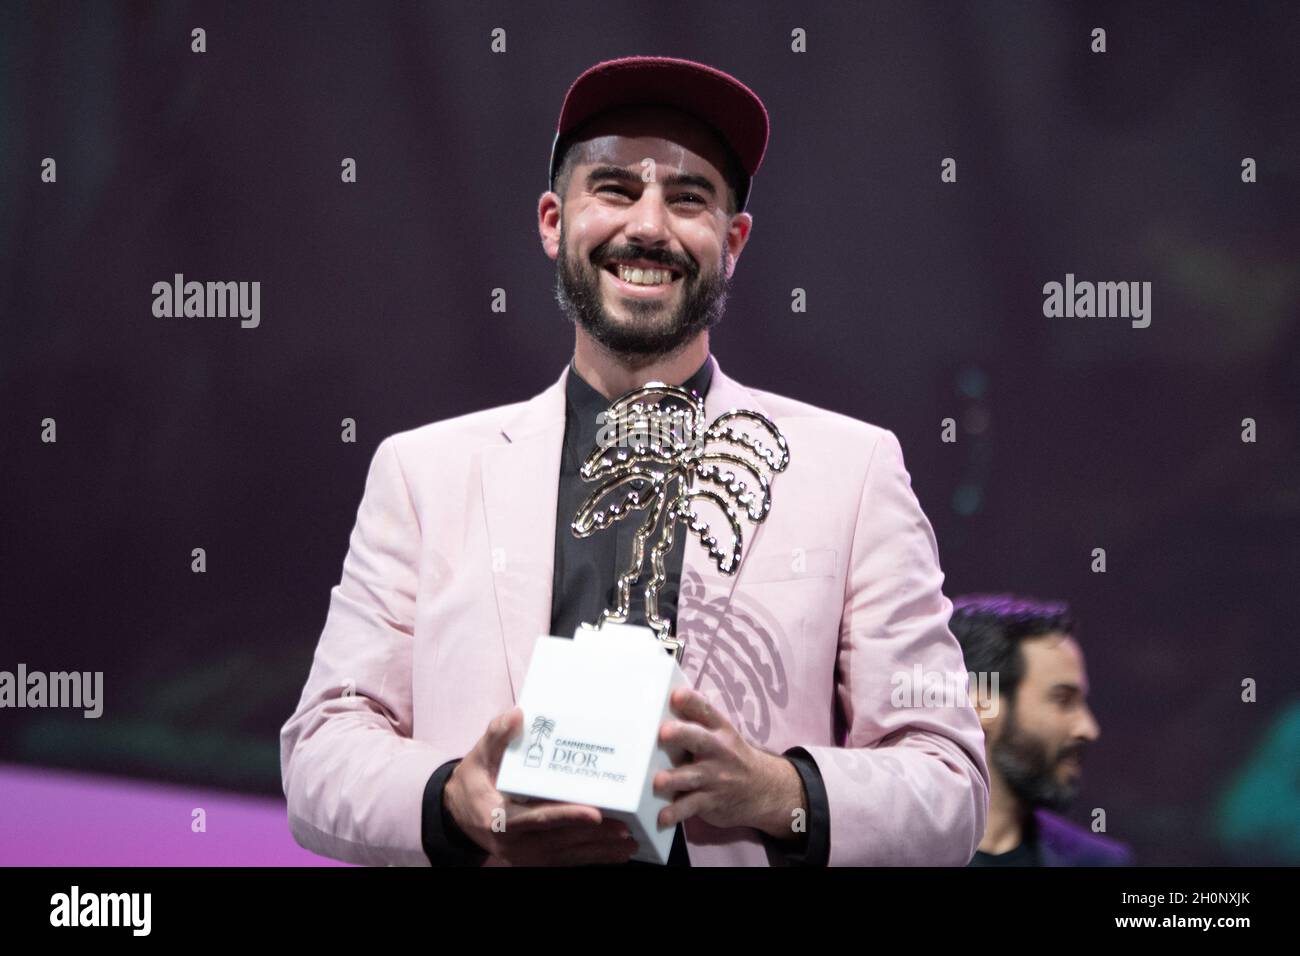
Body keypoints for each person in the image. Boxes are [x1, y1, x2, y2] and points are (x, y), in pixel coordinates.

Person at [280, 55, 989, 867]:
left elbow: (950, 783)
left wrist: (778, 791)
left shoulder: (852, 471)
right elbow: (321, 750)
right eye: (614, 189)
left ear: (733, 241)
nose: (649, 225)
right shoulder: (422, 476)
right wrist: (451, 797)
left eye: (689, 199)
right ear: (553, 222)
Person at [949, 594, 1134, 866]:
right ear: (980, 706)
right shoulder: (889, 851)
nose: (1089, 729)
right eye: (1063, 699)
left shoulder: (1098, 861)